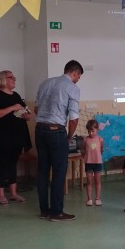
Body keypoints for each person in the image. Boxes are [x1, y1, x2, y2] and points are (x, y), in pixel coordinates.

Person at [34, 59, 83, 222]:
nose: (77, 80)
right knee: (59, 172)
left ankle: (44, 211)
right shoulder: (72, 88)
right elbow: (74, 118)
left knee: (42, 171)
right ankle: (56, 212)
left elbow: (36, 109)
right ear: (75, 72)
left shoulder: (45, 83)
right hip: (56, 131)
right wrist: (69, 136)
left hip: (39, 130)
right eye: (78, 77)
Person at [0, 70, 32, 206]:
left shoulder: (16, 95)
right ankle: (0, 194)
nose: (14, 79)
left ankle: (13, 193)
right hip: (3, 136)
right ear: (3, 79)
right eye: (11, 77)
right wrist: (12, 108)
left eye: (14, 77)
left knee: (13, 163)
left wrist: (26, 115)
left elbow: (27, 114)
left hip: (18, 135)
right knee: (4, 163)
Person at [81, 119, 104, 206]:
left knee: (97, 181)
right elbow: (83, 150)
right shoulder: (85, 140)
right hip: (88, 163)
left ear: (97, 129)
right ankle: (89, 199)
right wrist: (86, 157)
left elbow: (101, 150)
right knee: (89, 181)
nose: (90, 133)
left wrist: (97, 157)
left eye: (93, 131)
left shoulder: (100, 139)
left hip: (98, 163)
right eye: (89, 131)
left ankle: (97, 198)